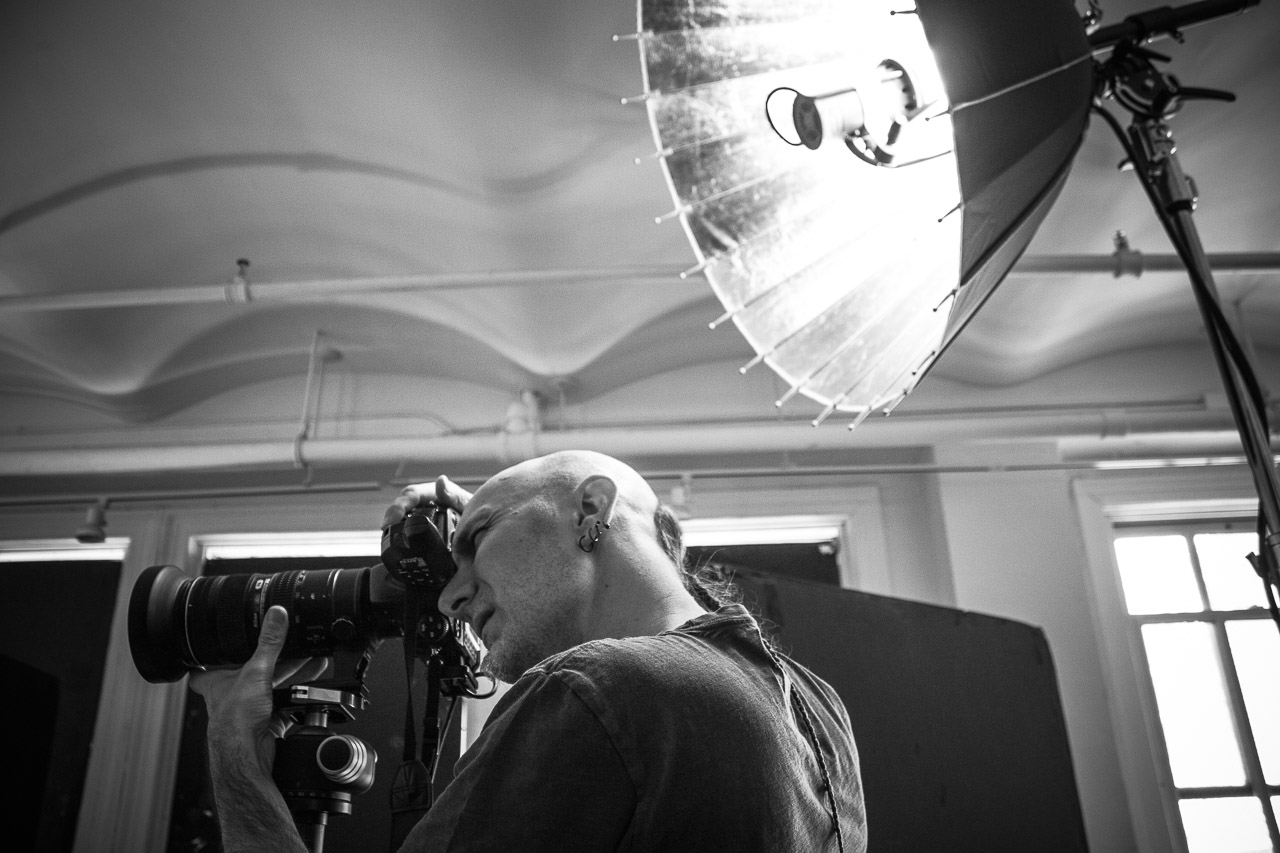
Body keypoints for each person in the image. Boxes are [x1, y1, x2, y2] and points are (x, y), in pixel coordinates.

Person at [192, 450, 868, 852]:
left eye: (477, 537)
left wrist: (236, 759)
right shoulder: (815, 708)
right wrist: (490, 530)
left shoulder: (595, 690)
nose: (451, 600)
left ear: (591, 511)